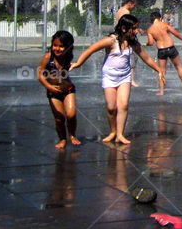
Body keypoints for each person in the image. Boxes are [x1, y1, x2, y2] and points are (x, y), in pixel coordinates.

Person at [70, 14, 164, 144]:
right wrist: (78, 63)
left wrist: (159, 70)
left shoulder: (133, 43)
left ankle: (120, 134)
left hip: (124, 77)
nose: (137, 31)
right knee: (111, 107)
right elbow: (91, 49)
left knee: (123, 105)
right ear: (124, 28)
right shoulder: (111, 41)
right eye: (134, 28)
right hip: (109, 77)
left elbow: (146, 58)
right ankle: (113, 131)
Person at [36, 30, 80, 150]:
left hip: (68, 89)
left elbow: (79, 61)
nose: (57, 49)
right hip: (53, 92)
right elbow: (40, 75)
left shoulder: (68, 57)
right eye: (55, 45)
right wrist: (49, 86)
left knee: (71, 114)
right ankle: (62, 139)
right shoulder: (48, 57)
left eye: (61, 46)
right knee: (59, 117)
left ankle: (72, 134)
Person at [147, 10, 182, 95]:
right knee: (179, 67)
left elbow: (151, 42)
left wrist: (147, 43)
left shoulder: (150, 30)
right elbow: (176, 33)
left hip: (161, 50)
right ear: (160, 18)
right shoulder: (165, 25)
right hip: (171, 48)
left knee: (162, 71)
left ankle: (162, 91)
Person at [115, 0, 140, 86]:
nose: (134, 7)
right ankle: (131, 80)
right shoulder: (126, 12)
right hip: (126, 37)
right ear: (130, 3)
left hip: (119, 36)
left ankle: (122, 77)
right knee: (131, 58)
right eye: (134, 5)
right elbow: (128, 25)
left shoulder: (119, 10)